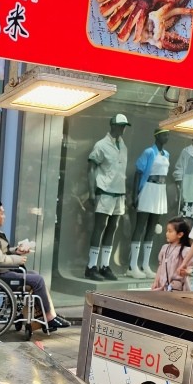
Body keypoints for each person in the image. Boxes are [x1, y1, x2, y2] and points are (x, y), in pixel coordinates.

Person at [0, 198, 69, 332]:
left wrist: (16, 250)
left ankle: (35, 316)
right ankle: (49, 318)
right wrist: (17, 260)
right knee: (38, 280)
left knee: (34, 275)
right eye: (2, 214)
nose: (4, 217)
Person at [85, 114, 130, 281]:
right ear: (113, 126)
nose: (123, 128)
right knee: (100, 226)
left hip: (119, 192)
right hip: (104, 191)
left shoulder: (123, 145)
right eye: (120, 125)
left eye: (124, 126)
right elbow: (91, 168)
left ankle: (104, 265)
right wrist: (91, 191)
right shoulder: (101, 145)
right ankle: (91, 266)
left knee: (113, 227)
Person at [126, 130, 171, 278]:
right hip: (148, 188)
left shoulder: (166, 154)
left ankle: (145, 264)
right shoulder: (149, 152)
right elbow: (139, 173)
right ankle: (132, 265)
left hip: (160, 190)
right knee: (140, 226)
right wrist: (134, 195)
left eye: (168, 135)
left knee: (152, 228)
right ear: (157, 136)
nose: (167, 137)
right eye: (164, 135)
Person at [152, 219, 193, 291]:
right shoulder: (165, 248)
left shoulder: (186, 250)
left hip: (177, 288)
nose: (167, 233)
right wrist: (156, 281)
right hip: (162, 285)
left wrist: (187, 272)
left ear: (180, 234)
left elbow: (190, 268)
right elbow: (160, 265)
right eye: (167, 231)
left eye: (170, 231)